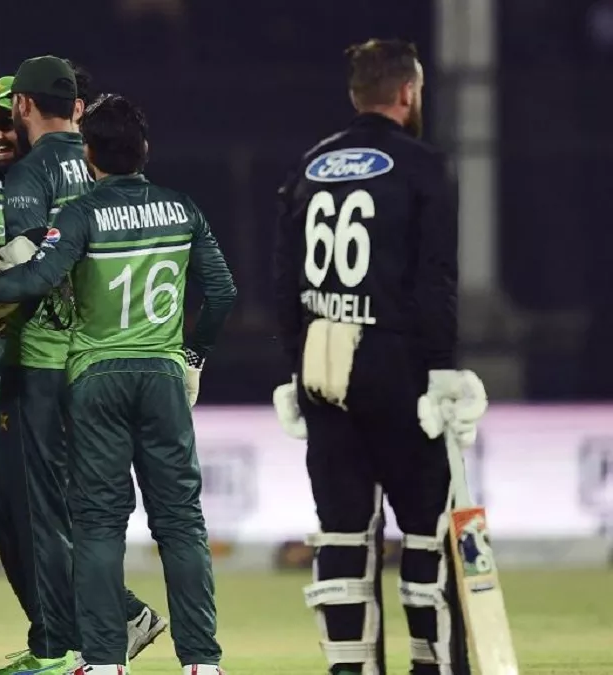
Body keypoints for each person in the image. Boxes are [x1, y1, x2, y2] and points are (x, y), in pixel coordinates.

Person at [0, 91, 235, 675]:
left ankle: (106, 661)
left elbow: (36, 279)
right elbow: (222, 292)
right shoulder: (182, 209)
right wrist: (193, 357)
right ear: (145, 149)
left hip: (97, 379)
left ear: (88, 155)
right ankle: (202, 663)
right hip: (162, 375)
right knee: (181, 523)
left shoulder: (81, 214)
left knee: (98, 524)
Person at [270, 38, 486, 675]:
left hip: (321, 367)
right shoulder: (424, 166)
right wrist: (442, 368)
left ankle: (351, 668)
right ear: (409, 92)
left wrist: (293, 369)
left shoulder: (309, 166)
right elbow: (435, 278)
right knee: (425, 533)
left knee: (341, 536)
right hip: (398, 366)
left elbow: (284, 280)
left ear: (355, 93)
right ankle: (432, 667)